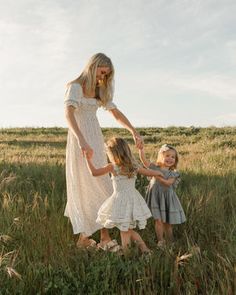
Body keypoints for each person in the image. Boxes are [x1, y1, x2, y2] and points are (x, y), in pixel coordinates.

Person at [64, 53, 143, 250]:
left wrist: (133, 130)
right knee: (84, 185)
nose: (103, 77)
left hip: (95, 139)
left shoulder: (99, 90)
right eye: (102, 72)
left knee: (104, 185)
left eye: (107, 74)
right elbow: (68, 114)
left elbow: (115, 113)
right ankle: (85, 237)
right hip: (79, 139)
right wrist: (81, 139)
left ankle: (104, 236)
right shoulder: (75, 87)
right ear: (93, 66)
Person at [85, 137, 164, 253]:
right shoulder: (133, 166)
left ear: (113, 153)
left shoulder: (112, 167)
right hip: (132, 199)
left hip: (120, 200)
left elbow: (94, 173)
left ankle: (127, 255)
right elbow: (148, 172)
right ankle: (145, 249)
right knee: (128, 229)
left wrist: (88, 159)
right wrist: (159, 173)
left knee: (124, 230)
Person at [139, 144, 186, 247]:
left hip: (167, 199)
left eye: (173, 157)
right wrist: (141, 149)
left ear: (175, 160)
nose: (170, 159)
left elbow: (168, 183)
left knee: (168, 223)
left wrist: (157, 175)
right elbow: (144, 161)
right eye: (167, 156)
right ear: (161, 156)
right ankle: (160, 241)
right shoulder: (155, 167)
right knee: (158, 221)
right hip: (155, 198)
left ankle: (170, 241)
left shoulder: (173, 173)